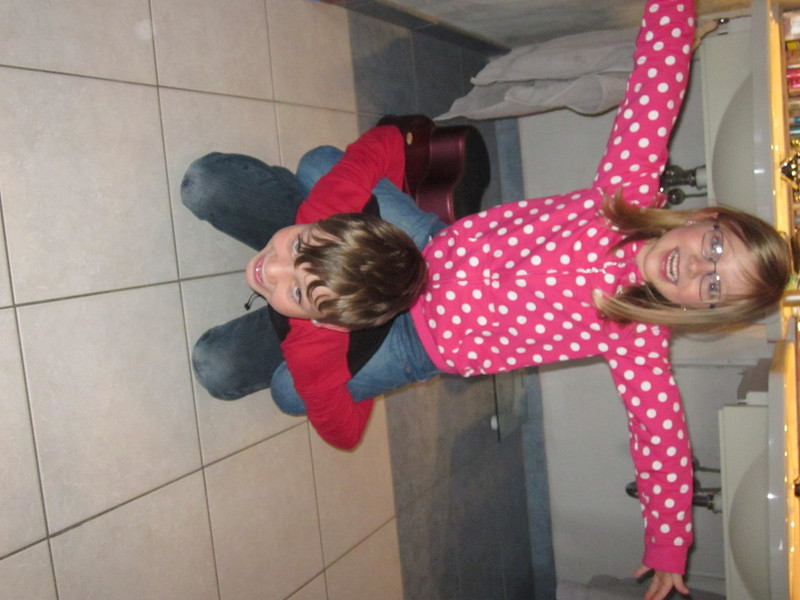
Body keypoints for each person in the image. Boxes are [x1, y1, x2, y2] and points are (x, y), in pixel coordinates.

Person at [183, 1, 793, 598]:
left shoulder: (637, 339)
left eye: (714, 286)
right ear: (705, 218)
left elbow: (663, 443)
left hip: (414, 345)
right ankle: (303, 267)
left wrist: (668, 546)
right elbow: (656, 87)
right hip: (419, 248)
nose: (697, 267)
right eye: (715, 246)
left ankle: (308, 292)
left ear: (704, 310)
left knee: (286, 392)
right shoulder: (624, 191)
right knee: (318, 166)